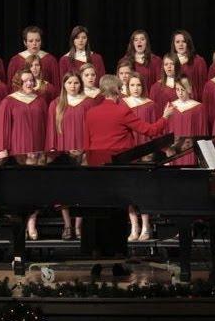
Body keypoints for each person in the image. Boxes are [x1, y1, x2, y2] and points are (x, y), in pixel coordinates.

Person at [83, 75, 174, 256]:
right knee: (117, 214)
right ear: (117, 90)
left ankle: (98, 253)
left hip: (97, 171)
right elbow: (150, 131)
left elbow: (87, 145)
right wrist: (165, 117)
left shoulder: (90, 113)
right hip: (119, 170)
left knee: (100, 213)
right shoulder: (122, 111)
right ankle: (117, 254)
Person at [45, 72, 99, 240]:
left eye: (76, 82)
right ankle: (67, 225)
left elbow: (94, 129)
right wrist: (54, 151)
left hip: (84, 153)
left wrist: (87, 150)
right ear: (64, 85)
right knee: (64, 189)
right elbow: (51, 130)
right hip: (63, 152)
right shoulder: (56, 104)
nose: (73, 86)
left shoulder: (89, 103)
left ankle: (78, 226)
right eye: (69, 83)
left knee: (82, 190)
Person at [0, 69, 48, 240]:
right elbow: (3, 127)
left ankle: (32, 220)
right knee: (21, 188)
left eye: (31, 80)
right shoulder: (8, 102)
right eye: (25, 80)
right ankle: (21, 224)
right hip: (17, 148)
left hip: (38, 148)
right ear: (19, 82)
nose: (29, 83)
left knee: (36, 187)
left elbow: (46, 126)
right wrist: (2, 149)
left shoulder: (40, 101)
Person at [123, 72, 159, 241]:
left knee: (143, 190)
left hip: (146, 150)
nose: (136, 89)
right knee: (129, 191)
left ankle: (146, 226)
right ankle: (134, 226)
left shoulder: (150, 105)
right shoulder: (122, 104)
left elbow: (154, 129)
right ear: (127, 87)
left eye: (138, 85)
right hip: (129, 149)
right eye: (132, 85)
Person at [168, 76, 208, 166]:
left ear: (189, 89)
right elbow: (166, 130)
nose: (180, 93)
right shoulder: (171, 107)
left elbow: (202, 131)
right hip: (174, 150)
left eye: (183, 89)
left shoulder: (199, 108)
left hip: (191, 150)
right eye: (177, 89)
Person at [171, 29, 207, 100]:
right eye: (177, 42)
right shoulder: (169, 62)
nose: (180, 44)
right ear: (174, 44)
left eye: (184, 41)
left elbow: (203, 85)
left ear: (188, 43)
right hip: (174, 102)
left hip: (194, 102)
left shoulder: (198, 61)